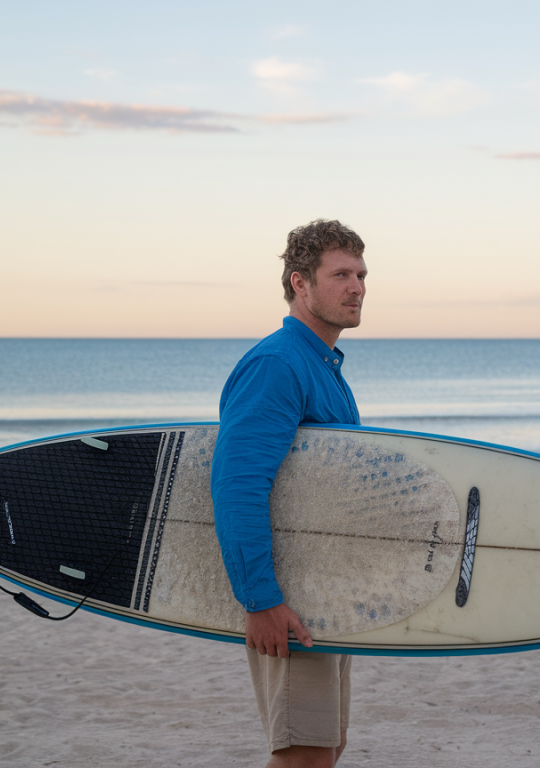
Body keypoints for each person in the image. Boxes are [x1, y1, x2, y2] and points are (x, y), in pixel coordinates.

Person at [211, 219, 367, 768]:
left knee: (325, 748)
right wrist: (261, 599)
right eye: (341, 274)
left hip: (327, 592)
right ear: (300, 283)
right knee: (304, 754)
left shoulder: (322, 366)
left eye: (361, 275)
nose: (357, 287)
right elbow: (237, 483)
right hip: (290, 596)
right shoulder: (279, 364)